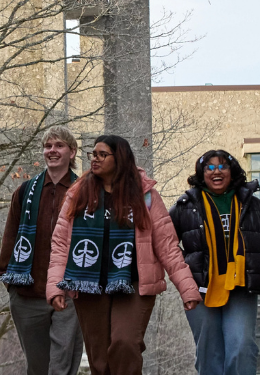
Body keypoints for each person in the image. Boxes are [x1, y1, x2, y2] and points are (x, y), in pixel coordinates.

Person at [45, 135, 202, 375]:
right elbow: (60, 244)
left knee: (125, 343)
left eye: (102, 155)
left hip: (134, 284)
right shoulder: (78, 193)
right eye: (93, 154)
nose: (95, 159)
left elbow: (167, 245)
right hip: (90, 285)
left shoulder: (145, 195)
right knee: (99, 358)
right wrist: (55, 286)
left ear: (119, 159)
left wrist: (187, 289)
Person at [169, 150, 260, 375]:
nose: (217, 172)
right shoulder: (185, 206)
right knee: (209, 353)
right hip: (200, 289)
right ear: (201, 173)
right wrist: (185, 275)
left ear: (231, 170)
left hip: (241, 288)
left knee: (242, 347)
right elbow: (166, 244)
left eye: (222, 166)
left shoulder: (252, 205)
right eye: (210, 168)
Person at [0, 126, 87, 375]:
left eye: (59, 145)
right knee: (37, 367)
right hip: (28, 293)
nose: (52, 151)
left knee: (62, 366)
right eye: (48, 146)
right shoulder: (25, 191)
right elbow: (10, 237)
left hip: (70, 293)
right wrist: (10, 283)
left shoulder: (86, 191)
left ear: (72, 151)